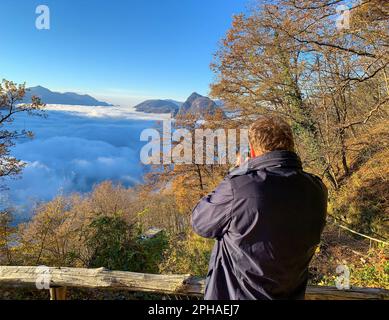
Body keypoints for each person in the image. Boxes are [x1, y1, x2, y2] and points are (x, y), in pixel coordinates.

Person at [191, 115, 328, 300]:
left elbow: (200, 223)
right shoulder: (317, 188)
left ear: (253, 151)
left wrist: (236, 173)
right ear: (291, 146)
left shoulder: (239, 187)